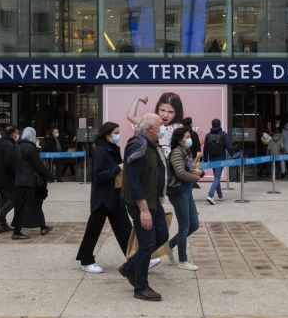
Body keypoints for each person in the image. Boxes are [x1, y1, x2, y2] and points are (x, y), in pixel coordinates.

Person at [118, 113, 169, 302]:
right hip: (142, 204)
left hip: (154, 201)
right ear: (151, 128)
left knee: (162, 236)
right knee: (147, 243)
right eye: (160, 124)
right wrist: (144, 211)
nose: (163, 127)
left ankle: (130, 266)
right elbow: (133, 181)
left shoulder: (151, 145)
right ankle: (140, 287)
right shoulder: (137, 146)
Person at [76, 122, 133, 273]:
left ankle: (136, 258)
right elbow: (98, 175)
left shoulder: (114, 149)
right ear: (107, 134)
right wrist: (118, 168)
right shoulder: (101, 151)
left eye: (118, 132)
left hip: (115, 195)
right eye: (115, 132)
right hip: (102, 197)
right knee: (94, 229)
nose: (118, 135)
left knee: (125, 228)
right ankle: (86, 261)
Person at [167, 127, 203, 270]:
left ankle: (169, 245)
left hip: (187, 191)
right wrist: (197, 177)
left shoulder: (186, 152)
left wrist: (200, 172)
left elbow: (192, 170)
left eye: (190, 136)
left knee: (194, 224)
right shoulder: (177, 152)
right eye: (187, 137)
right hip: (178, 192)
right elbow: (180, 173)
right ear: (179, 139)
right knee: (184, 226)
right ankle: (183, 260)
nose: (190, 139)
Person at [127, 92, 202, 158]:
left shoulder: (179, 127)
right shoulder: (151, 122)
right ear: (158, 108)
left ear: (176, 113)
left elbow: (202, 135)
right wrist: (138, 98)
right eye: (162, 110)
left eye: (170, 112)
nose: (165, 115)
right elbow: (131, 116)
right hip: (155, 162)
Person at [12, 127, 55, 240]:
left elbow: (13, 165)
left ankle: (43, 226)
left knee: (35, 204)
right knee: (23, 206)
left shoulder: (18, 147)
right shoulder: (31, 148)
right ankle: (16, 231)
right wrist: (50, 176)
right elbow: (38, 165)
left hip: (20, 180)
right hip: (29, 181)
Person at [203, 119, 235, 205]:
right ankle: (210, 195)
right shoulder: (223, 134)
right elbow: (229, 146)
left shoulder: (208, 135)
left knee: (216, 177)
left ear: (212, 124)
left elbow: (205, 149)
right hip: (220, 158)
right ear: (220, 124)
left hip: (212, 159)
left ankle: (220, 196)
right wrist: (232, 155)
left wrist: (206, 161)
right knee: (217, 177)